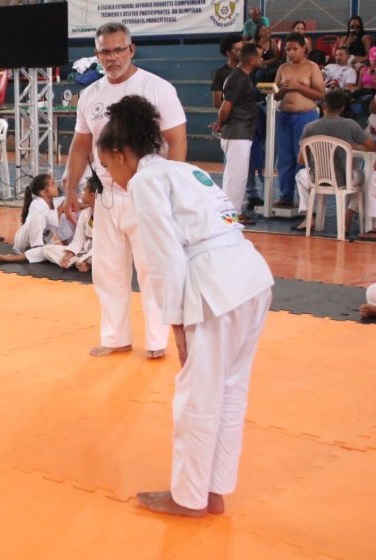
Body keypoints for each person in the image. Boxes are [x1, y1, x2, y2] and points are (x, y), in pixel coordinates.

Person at [95, 95, 274, 517]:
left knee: (197, 396)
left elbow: (162, 257)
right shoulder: (187, 170)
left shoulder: (144, 182)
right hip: (251, 277)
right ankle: (213, 490)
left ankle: (189, 497)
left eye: (108, 166)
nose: (112, 178)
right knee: (230, 392)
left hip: (216, 290)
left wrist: (175, 324)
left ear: (122, 153)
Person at [62, 21, 187, 360]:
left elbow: (176, 140)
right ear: (96, 54)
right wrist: (70, 186)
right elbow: (80, 144)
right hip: (106, 193)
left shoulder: (157, 88)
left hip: (148, 193)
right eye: (105, 51)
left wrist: (171, 188)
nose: (112, 57)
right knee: (108, 269)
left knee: (152, 270)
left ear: (131, 50)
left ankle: (157, 341)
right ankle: (116, 337)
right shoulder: (91, 95)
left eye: (119, 49)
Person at [292, 89, 376, 231]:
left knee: (300, 175)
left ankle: (308, 217)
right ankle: (348, 215)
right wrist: (351, 145)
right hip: (344, 179)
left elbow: (301, 160)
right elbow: (372, 147)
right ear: (343, 108)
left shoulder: (310, 127)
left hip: (316, 178)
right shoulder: (351, 125)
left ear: (323, 106)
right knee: (364, 179)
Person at [274, 33, 325, 207]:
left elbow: (320, 94)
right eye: (288, 49)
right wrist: (281, 89)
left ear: (304, 49)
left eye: (295, 49)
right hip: (284, 116)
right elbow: (275, 95)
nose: (291, 52)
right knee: (285, 158)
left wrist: (298, 87)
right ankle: (285, 195)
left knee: (303, 158)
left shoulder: (312, 67)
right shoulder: (282, 68)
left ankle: (305, 201)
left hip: (306, 116)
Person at [213, 43, 260, 224]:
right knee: (235, 175)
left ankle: (232, 212)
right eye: (260, 56)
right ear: (251, 59)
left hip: (239, 131)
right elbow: (225, 107)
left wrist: (221, 124)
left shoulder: (240, 77)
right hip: (237, 132)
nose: (262, 59)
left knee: (236, 174)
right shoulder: (239, 78)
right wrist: (220, 123)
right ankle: (231, 214)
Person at [0, 174, 65, 265]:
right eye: (52, 184)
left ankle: (37, 252)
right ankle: (17, 256)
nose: (56, 186)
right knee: (39, 216)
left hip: (43, 242)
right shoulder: (36, 204)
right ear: (43, 192)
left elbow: (77, 204)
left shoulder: (56, 202)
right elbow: (52, 218)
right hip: (25, 241)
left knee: (49, 250)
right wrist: (65, 204)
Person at [211, 34, 242, 109]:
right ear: (228, 53)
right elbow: (217, 103)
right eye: (238, 50)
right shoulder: (221, 73)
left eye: (243, 49)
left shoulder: (249, 69)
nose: (242, 52)